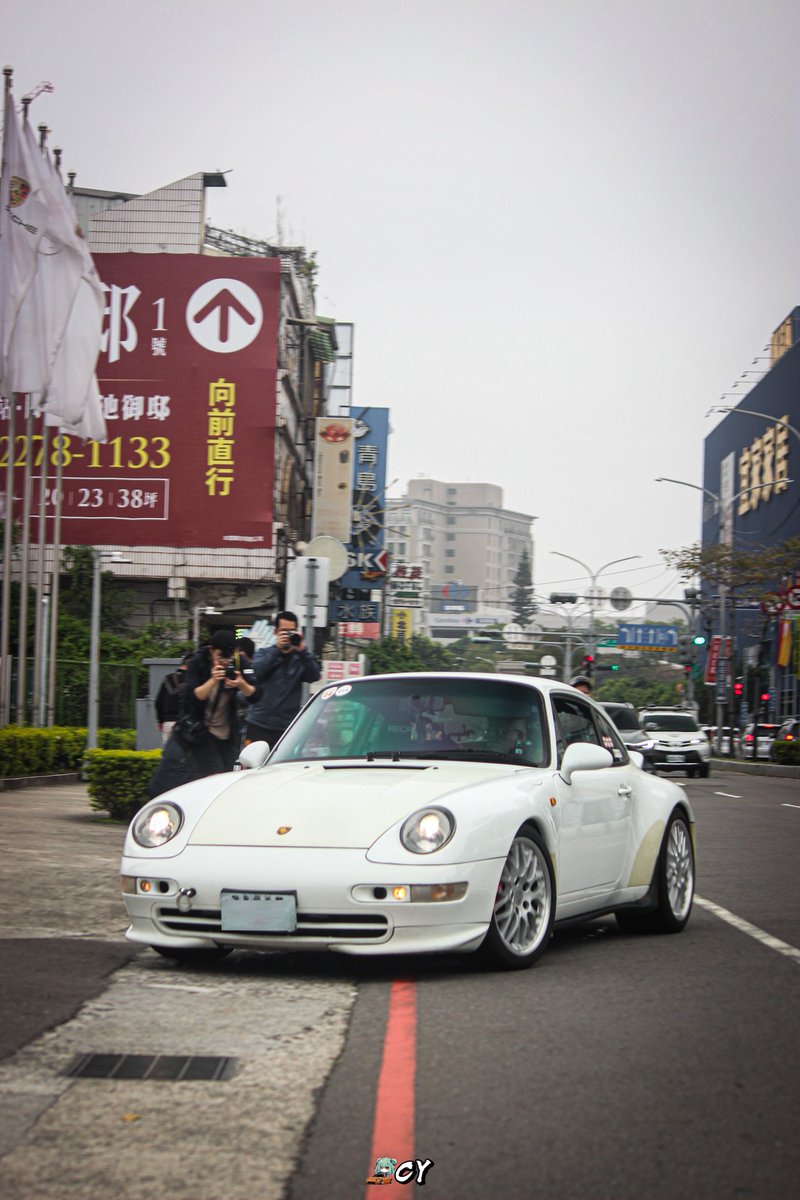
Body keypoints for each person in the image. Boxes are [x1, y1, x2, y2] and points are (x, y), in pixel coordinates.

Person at [180, 629, 260, 774]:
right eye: (220, 656)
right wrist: (213, 680)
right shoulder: (198, 662)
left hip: (228, 735)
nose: (224, 662)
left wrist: (241, 683)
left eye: (228, 657)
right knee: (214, 774)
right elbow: (193, 696)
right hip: (202, 732)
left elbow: (256, 695)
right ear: (211, 650)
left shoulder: (238, 662)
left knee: (227, 775)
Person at [245, 611, 321, 746]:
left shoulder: (300, 658)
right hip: (259, 723)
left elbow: (314, 676)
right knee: (253, 764)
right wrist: (277, 649)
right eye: (284, 631)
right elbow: (256, 672)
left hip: (287, 727)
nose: (287, 635)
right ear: (275, 632)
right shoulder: (264, 653)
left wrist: (302, 650)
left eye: (291, 631)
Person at [154, 653, 192, 744]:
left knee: (169, 754)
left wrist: (160, 721)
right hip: (187, 723)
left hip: (168, 722)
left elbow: (158, 702)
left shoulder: (167, 679)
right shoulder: (193, 680)